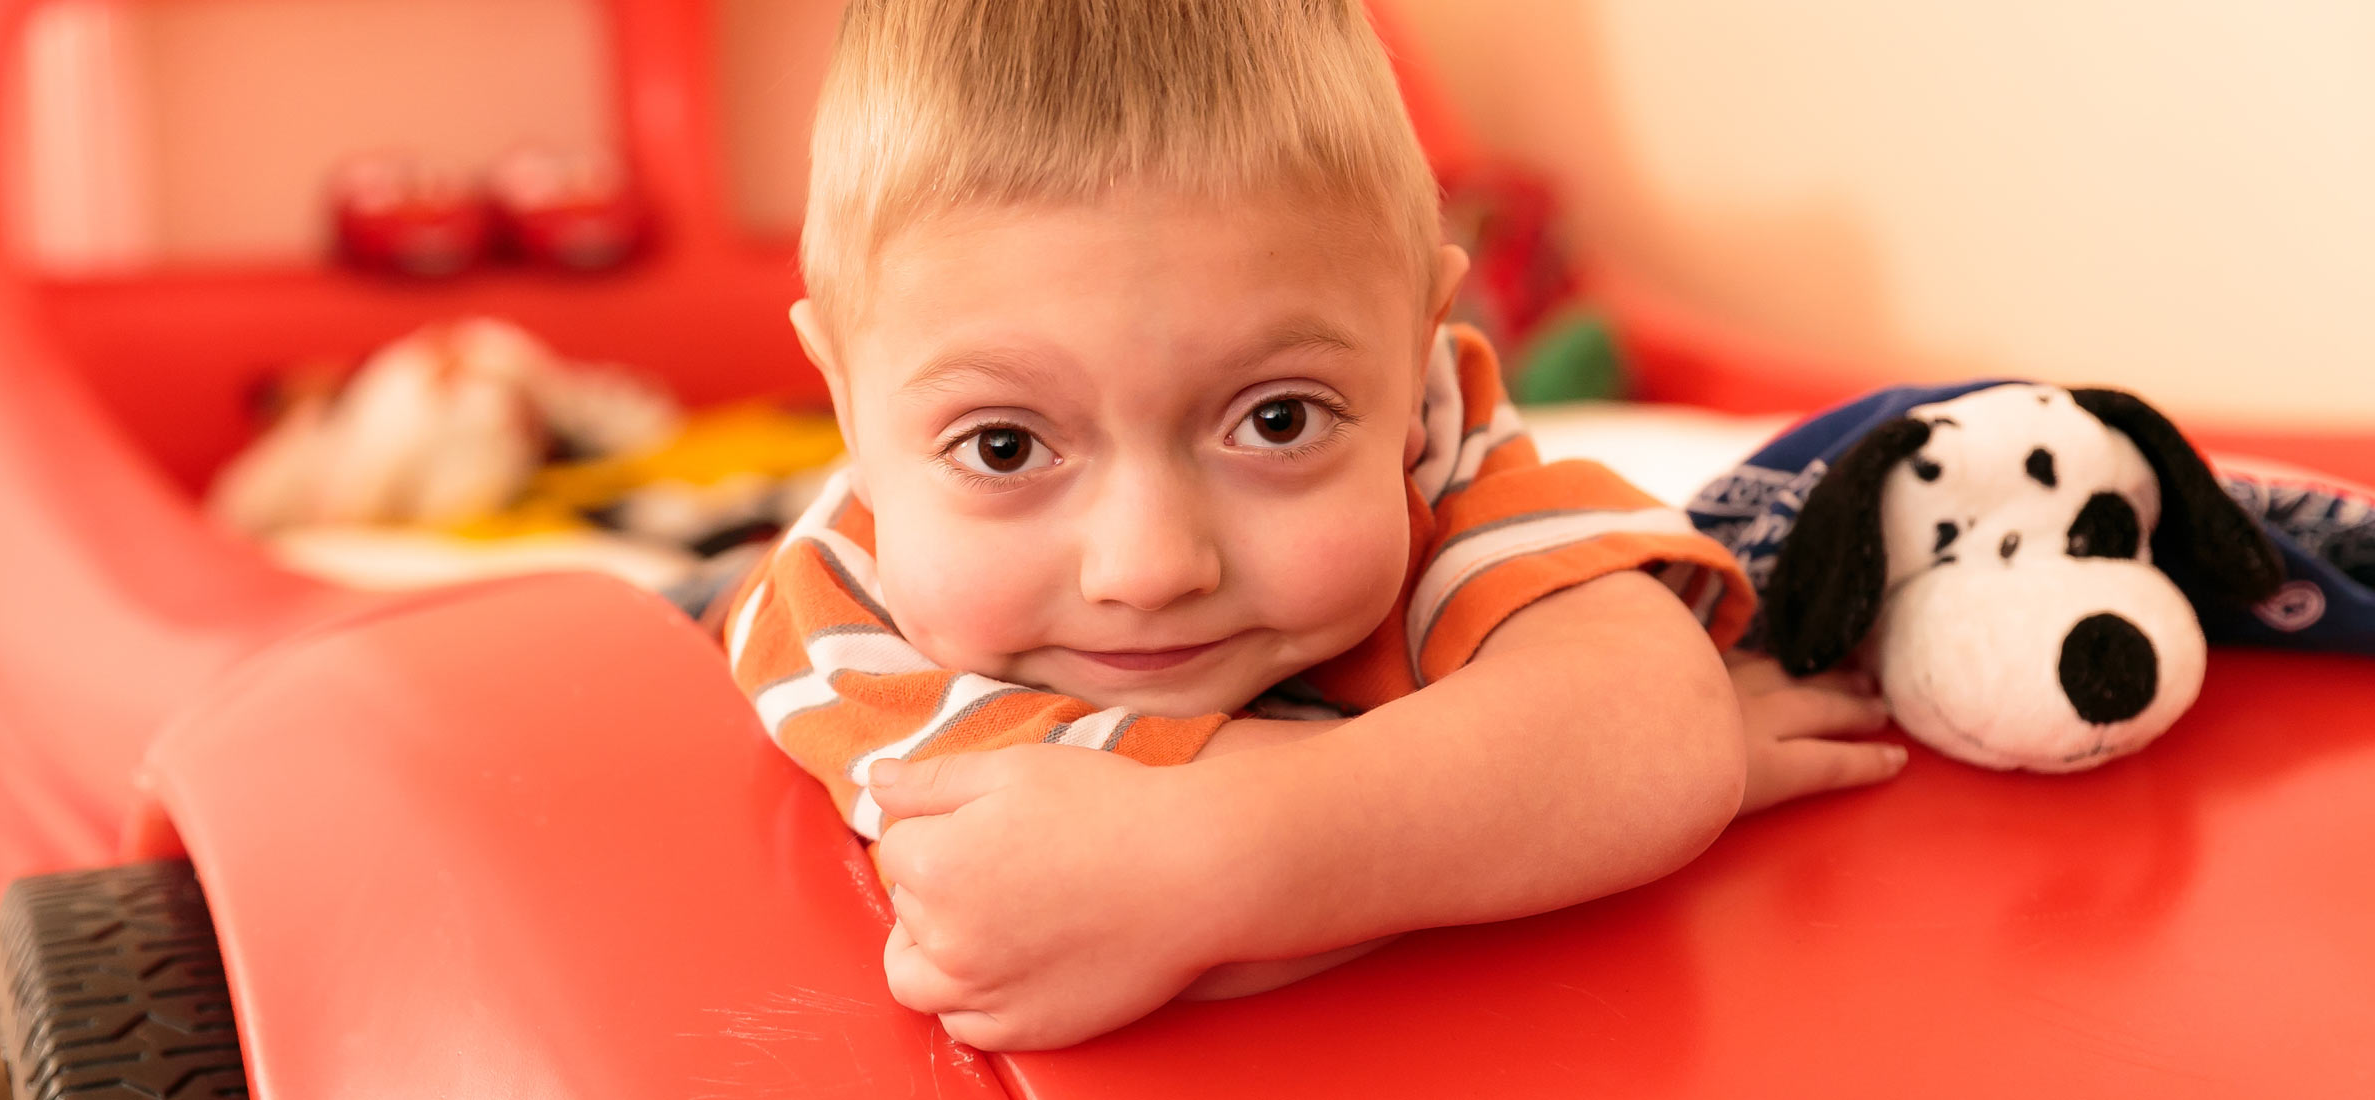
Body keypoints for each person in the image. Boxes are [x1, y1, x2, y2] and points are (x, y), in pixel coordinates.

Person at [719, 0, 1902, 1052]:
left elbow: (1645, 725)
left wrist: (1603, 776)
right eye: (1006, 446)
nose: (1149, 564)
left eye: (1273, 420)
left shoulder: (1418, 428)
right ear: (843, 401)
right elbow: (1025, 914)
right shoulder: (838, 619)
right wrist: (1540, 797)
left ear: (1417, 342)